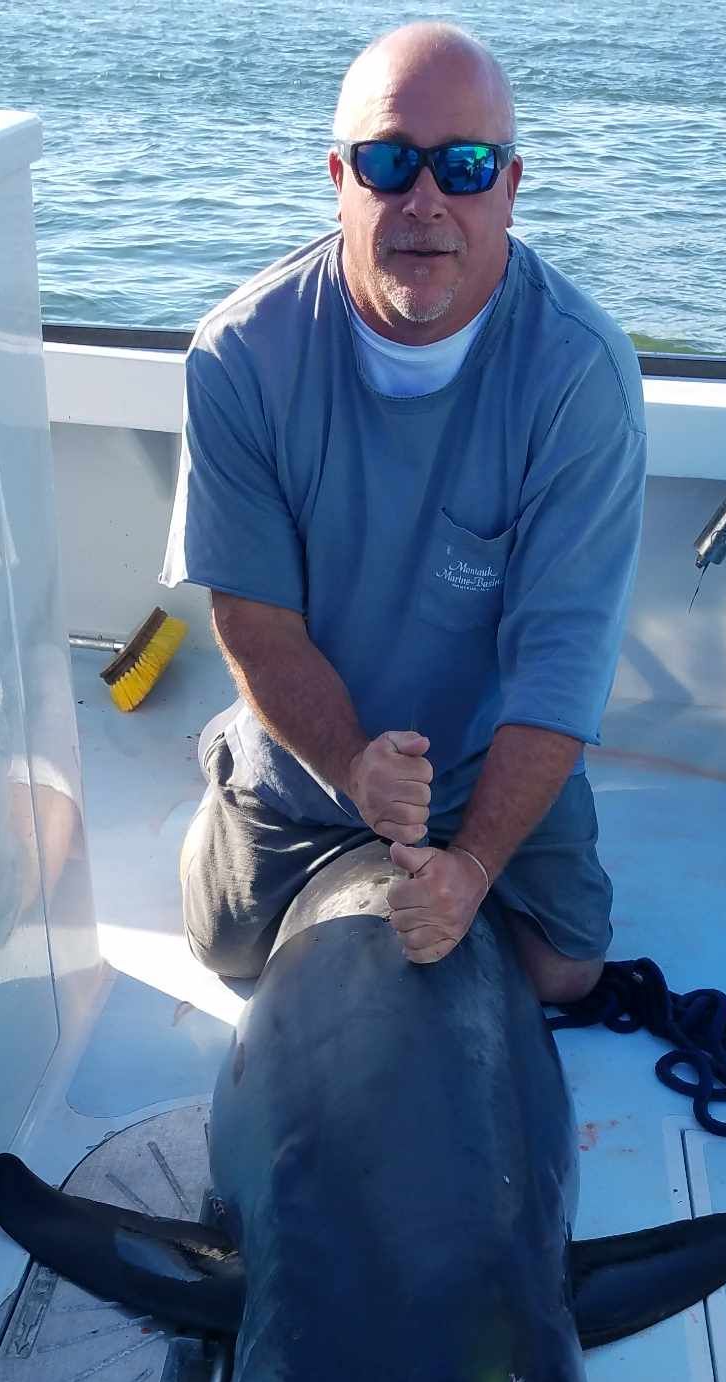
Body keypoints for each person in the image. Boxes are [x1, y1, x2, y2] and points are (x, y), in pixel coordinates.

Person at [162, 20, 647, 1002]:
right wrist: (349, 762)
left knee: (565, 969)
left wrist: (468, 866)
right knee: (229, 953)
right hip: (308, 759)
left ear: (511, 186)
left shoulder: (580, 376)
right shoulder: (239, 356)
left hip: (476, 755)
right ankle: (231, 753)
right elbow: (252, 618)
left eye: (465, 166)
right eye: (390, 163)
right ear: (339, 177)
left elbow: (562, 662)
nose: (426, 200)